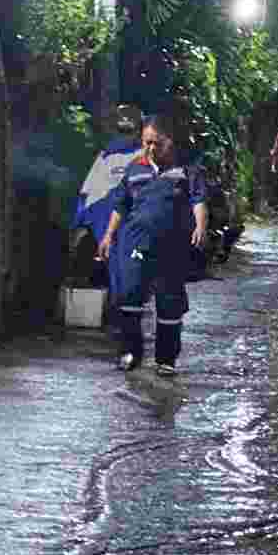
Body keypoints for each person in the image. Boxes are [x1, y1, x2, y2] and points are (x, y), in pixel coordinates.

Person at [98, 111, 209, 375]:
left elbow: (198, 200)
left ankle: (166, 360)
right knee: (129, 297)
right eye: (146, 142)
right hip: (134, 242)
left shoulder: (187, 169)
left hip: (171, 247)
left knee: (169, 303)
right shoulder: (135, 168)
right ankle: (129, 352)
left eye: (156, 143)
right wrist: (108, 236)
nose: (150, 148)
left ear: (169, 141)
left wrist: (201, 227)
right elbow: (121, 204)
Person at [69, 104, 145, 294]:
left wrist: (79, 222)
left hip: (109, 222)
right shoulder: (143, 156)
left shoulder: (106, 157)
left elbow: (86, 194)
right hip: (124, 222)